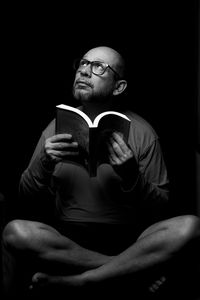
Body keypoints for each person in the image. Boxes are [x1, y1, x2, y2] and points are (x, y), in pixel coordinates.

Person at [2, 46, 200, 299]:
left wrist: (132, 177)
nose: (84, 71)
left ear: (119, 87)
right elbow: (25, 196)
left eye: (98, 67)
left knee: (190, 227)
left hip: (131, 239)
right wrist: (44, 162)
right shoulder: (54, 128)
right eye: (83, 64)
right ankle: (127, 271)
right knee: (15, 231)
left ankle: (82, 280)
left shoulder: (143, 132)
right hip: (67, 240)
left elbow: (161, 207)